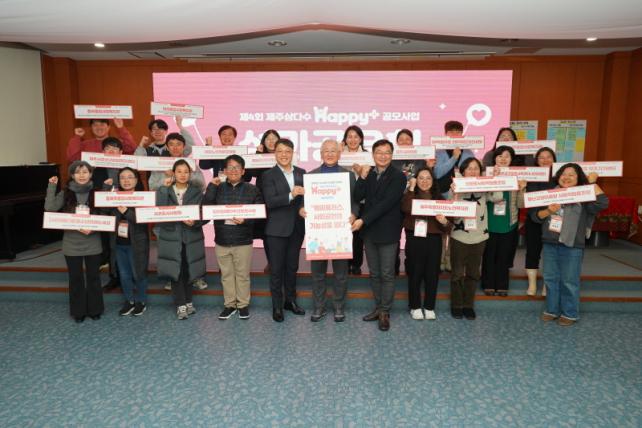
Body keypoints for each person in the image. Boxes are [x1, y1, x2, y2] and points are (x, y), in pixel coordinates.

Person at [534, 164, 608, 326]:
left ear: (578, 178)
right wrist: (549, 211)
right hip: (550, 243)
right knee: (550, 278)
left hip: (573, 244)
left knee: (569, 280)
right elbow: (535, 216)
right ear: (558, 176)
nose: (566, 177)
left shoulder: (584, 196)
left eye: (571, 175)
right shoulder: (549, 194)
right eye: (563, 174)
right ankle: (552, 310)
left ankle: (570, 313)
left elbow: (602, 203)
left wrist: (592, 183)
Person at [137, 132, 207, 291]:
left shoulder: (191, 164)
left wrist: (180, 175)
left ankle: (196, 278)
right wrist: (166, 180)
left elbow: (201, 185)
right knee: (169, 252)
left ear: (184, 147)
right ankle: (171, 279)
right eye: (172, 145)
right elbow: (153, 188)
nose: (175, 147)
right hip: (168, 217)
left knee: (192, 251)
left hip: (189, 218)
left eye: (178, 144)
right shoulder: (159, 164)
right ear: (167, 147)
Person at [299, 139, 359, 322]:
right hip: (319, 232)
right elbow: (304, 202)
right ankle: (319, 306)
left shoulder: (349, 175)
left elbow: (355, 201)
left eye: (334, 150)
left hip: (340, 231)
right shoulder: (310, 176)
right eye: (326, 150)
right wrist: (301, 210)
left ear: (339, 153)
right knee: (317, 273)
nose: (330, 154)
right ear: (321, 154)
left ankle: (339, 306)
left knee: (341, 274)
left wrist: (354, 214)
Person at [352, 139, 407, 332]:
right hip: (370, 232)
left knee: (387, 274)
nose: (383, 156)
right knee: (374, 273)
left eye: (387, 152)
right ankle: (378, 307)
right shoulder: (369, 173)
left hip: (387, 231)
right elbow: (357, 196)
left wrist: (363, 220)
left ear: (392, 155)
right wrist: (361, 176)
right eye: (379, 152)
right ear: (373, 154)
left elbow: (386, 204)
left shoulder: (398, 177)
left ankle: (385, 311)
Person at [202, 155, 263, 320]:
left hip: (243, 240)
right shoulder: (217, 187)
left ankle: (242, 305)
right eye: (230, 167)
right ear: (224, 171)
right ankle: (229, 305)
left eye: (237, 167)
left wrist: (246, 220)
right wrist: (211, 187)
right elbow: (205, 208)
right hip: (222, 239)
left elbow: (260, 213)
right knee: (226, 275)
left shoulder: (252, 189)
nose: (233, 170)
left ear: (243, 171)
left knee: (242, 275)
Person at [44, 161, 104, 322]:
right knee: (75, 278)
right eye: (78, 172)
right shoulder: (66, 193)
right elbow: (50, 208)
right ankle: (78, 311)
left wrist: (94, 228)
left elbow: (105, 215)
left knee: (93, 277)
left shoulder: (98, 192)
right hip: (71, 243)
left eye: (85, 172)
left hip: (93, 242)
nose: (82, 175)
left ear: (91, 174)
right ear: (72, 175)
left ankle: (95, 309)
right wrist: (51, 186)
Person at [449, 157, 503, 320]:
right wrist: (455, 194)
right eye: (469, 168)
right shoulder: (456, 186)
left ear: (480, 171)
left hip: (479, 236)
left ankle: (468, 305)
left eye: (476, 168)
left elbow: (497, 197)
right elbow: (451, 212)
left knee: (473, 273)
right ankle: (456, 305)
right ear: (463, 171)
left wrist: (496, 179)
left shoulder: (484, 187)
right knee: (457, 274)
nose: (473, 171)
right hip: (459, 236)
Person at [260, 138, 306, 322]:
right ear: (275, 153)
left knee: (292, 267)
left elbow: (307, 198)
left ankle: (290, 301)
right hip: (276, 230)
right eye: (280, 151)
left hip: (297, 228)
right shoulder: (268, 175)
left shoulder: (302, 173)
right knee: (276, 269)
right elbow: (270, 201)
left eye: (288, 151)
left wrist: (302, 207)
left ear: (293, 153)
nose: (284, 155)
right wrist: (290, 194)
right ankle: (277, 306)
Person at [155, 160, 207, 320]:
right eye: (179, 171)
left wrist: (195, 222)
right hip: (171, 237)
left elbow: (204, 214)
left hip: (191, 237)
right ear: (173, 173)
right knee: (176, 272)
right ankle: (180, 304)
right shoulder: (164, 190)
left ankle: (189, 301)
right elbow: (159, 211)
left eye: (186, 172)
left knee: (190, 269)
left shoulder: (197, 192)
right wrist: (163, 188)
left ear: (190, 174)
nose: (183, 175)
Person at [401, 167, 451, 320]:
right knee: (415, 273)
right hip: (415, 238)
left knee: (432, 274)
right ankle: (415, 306)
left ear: (433, 181)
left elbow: (448, 226)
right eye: (421, 178)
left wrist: (444, 221)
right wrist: (411, 188)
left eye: (428, 178)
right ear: (416, 180)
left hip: (434, 240)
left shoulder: (440, 199)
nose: (424, 181)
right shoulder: (410, 195)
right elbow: (406, 208)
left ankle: (429, 306)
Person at [481, 146, 527, 297]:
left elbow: (521, 204)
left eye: (507, 156)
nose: (503, 159)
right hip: (489, 222)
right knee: (489, 255)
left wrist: (522, 189)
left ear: (511, 159)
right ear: (494, 158)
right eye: (500, 156)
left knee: (503, 256)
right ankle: (488, 284)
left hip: (508, 223)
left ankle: (502, 285)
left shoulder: (517, 177)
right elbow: (485, 197)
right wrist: (493, 180)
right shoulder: (485, 174)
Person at [106, 167, 149, 316]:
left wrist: (126, 211)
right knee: (124, 274)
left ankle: (141, 301)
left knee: (139, 273)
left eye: (130, 177)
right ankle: (129, 301)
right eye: (123, 177)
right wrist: (106, 191)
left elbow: (143, 220)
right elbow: (104, 213)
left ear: (136, 180)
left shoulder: (142, 197)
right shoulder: (114, 197)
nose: (126, 180)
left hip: (136, 243)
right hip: (118, 243)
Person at [243, 129, 280, 273]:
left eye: (274, 138)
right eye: (268, 139)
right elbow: (250, 175)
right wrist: (258, 154)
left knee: (279, 233)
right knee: (266, 234)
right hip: (263, 201)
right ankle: (271, 262)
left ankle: (278, 262)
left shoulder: (283, 155)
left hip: (281, 200)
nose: (271, 141)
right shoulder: (259, 155)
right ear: (263, 142)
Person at [92, 137, 125, 292]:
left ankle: (126, 276)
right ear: (102, 152)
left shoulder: (128, 168)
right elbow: (94, 193)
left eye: (115, 148)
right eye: (107, 149)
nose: (111, 151)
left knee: (124, 246)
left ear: (121, 152)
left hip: (125, 213)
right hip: (105, 213)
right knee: (110, 247)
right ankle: (114, 277)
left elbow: (137, 189)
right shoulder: (97, 170)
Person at [525, 147, 557, 296]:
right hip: (534, 218)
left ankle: (546, 285)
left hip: (554, 220)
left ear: (554, 159)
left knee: (551, 253)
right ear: (536, 161)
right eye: (541, 157)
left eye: (548, 157)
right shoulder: (531, 176)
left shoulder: (560, 176)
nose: (545, 160)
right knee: (533, 251)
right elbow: (530, 199)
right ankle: (532, 285)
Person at [341, 125, 367, 275]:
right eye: (349, 137)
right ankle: (344, 263)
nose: (352, 140)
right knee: (343, 233)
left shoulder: (368, 156)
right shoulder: (338, 154)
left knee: (358, 234)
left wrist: (361, 172)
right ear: (345, 139)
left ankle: (356, 264)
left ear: (361, 139)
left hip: (361, 201)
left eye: (356, 136)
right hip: (342, 201)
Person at [434, 120, 474, 197]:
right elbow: (437, 174)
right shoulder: (438, 152)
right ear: (445, 134)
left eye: (458, 132)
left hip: (464, 194)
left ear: (462, 134)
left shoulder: (468, 152)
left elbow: (473, 174)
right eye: (451, 132)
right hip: (442, 195)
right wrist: (454, 158)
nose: (455, 135)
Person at [66, 118, 136, 162]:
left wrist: (121, 128)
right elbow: (72, 157)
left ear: (108, 127)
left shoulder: (117, 142)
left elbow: (132, 148)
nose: (99, 127)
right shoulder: (85, 144)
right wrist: (77, 136)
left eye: (102, 124)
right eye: (95, 125)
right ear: (91, 128)